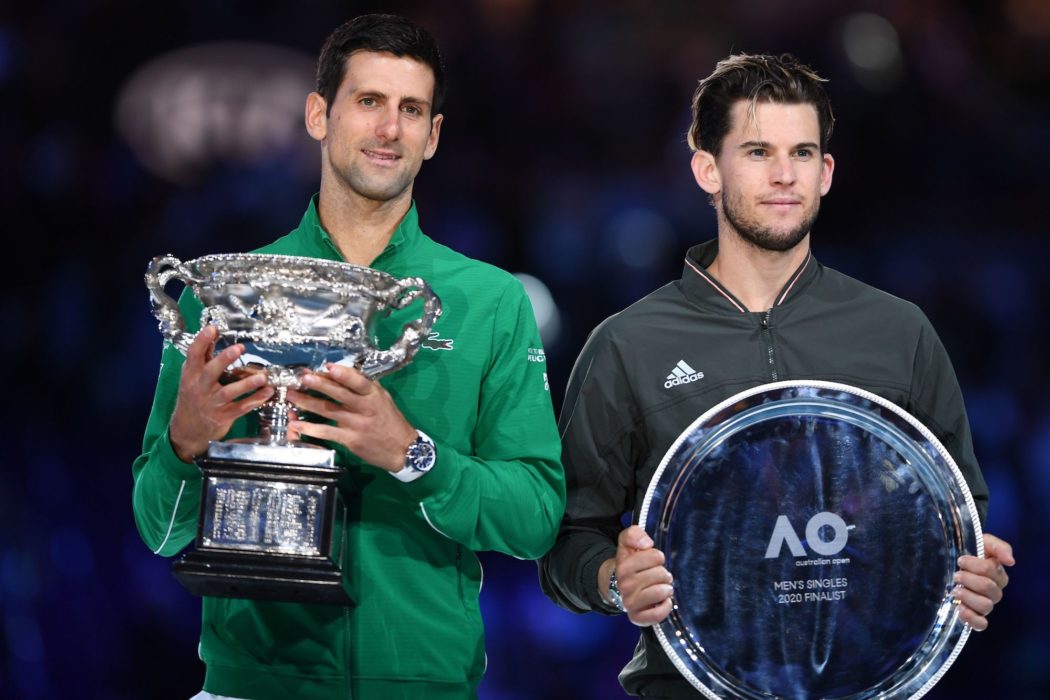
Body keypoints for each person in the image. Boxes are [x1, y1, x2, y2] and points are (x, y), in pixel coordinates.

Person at [538, 53, 1015, 698]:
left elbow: (957, 518)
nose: (785, 175)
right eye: (758, 152)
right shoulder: (630, 344)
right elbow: (567, 540)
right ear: (709, 169)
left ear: (827, 173)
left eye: (803, 153)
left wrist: (978, 575)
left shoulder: (898, 333)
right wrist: (614, 580)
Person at [132, 14, 565, 700]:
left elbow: (536, 519)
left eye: (411, 109)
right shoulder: (229, 293)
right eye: (368, 102)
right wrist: (185, 444)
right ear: (317, 115)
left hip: (423, 684)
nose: (389, 129)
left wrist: (412, 454)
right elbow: (160, 530)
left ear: (434, 136)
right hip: (252, 683)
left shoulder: (489, 301)